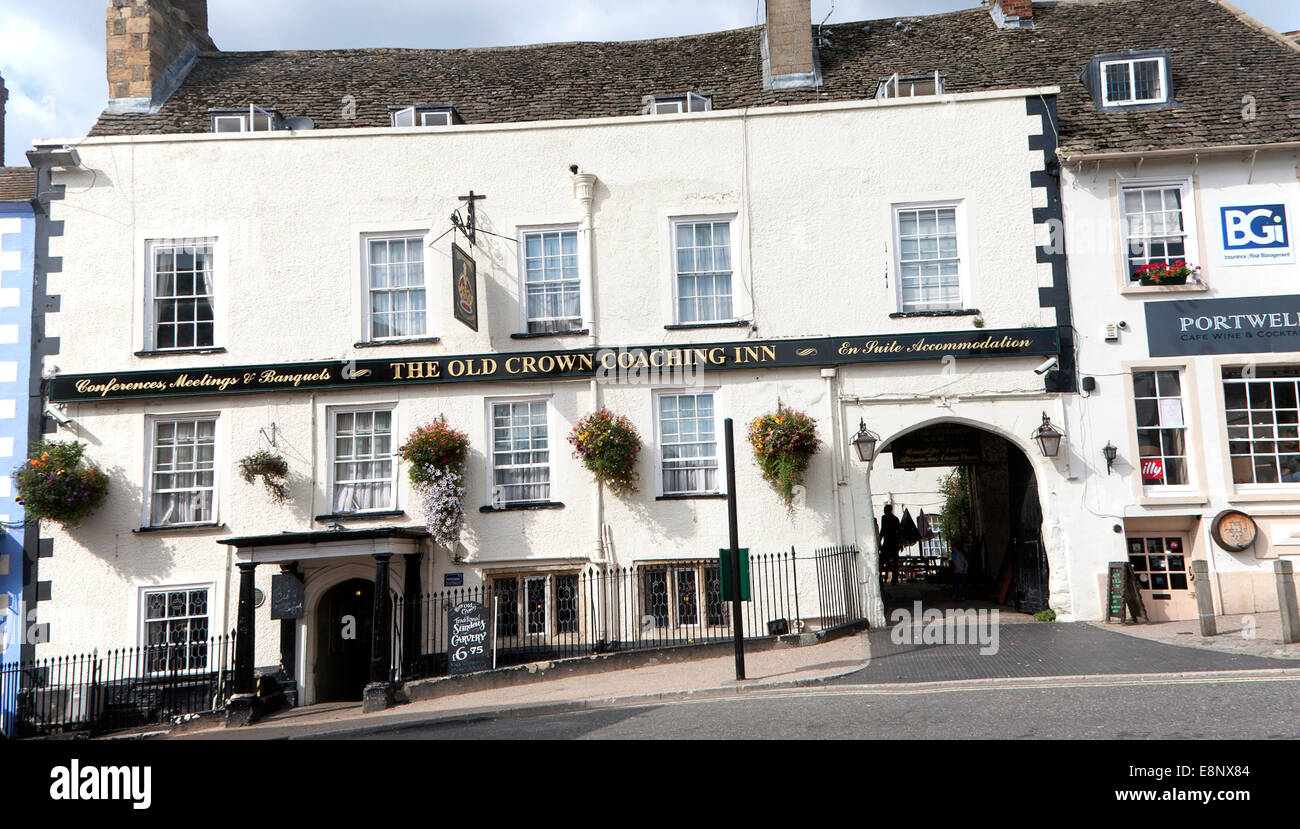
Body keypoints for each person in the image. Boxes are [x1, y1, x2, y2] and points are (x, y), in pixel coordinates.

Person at [879, 503, 902, 586]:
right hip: (894, 543)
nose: (884, 511)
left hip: (888, 543)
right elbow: (899, 532)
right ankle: (894, 578)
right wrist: (900, 543)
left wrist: (879, 539)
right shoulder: (896, 519)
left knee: (882, 560)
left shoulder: (884, 518)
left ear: (888, 510)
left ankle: (881, 577)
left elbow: (883, 529)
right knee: (894, 561)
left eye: (885, 509)